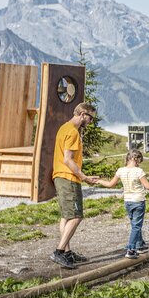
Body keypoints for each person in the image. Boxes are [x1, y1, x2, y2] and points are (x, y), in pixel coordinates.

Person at [51, 102, 101, 269]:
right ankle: (59, 251)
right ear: (82, 114)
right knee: (76, 215)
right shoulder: (72, 132)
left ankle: (67, 252)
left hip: (60, 176)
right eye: (90, 117)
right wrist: (84, 177)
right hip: (69, 178)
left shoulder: (63, 128)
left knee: (66, 216)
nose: (90, 121)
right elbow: (68, 159)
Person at [98, 149, 149, 258]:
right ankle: (131, 249)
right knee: (136, 226)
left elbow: (110, 184)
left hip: (127, 202)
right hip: (138, 201)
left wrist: (98, 181)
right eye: (138, 161)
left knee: (134, 225)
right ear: (134, 159)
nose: (138, 164)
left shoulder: (120, 170)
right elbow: (148, 186)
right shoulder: (139, 171)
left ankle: (139, 245)